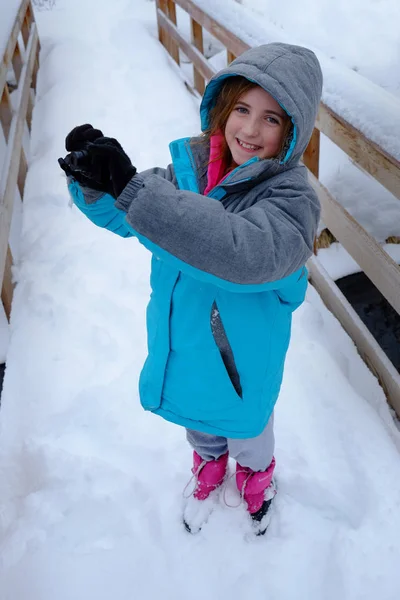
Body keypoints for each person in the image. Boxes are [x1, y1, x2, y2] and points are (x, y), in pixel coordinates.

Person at [59, 42, 323, 535]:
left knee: (248, 428)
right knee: (199, 421)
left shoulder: (291, 200)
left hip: (243, 357)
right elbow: (130, 216)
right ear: (222, 109)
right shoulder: (186, 174)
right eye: (242, 109)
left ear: (292, 131)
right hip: (184, 341)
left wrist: (139, 194)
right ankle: (208, 462)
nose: (249, 128)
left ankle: (255, 472)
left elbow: (244, 251)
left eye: (270, 118)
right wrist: (98, 183)